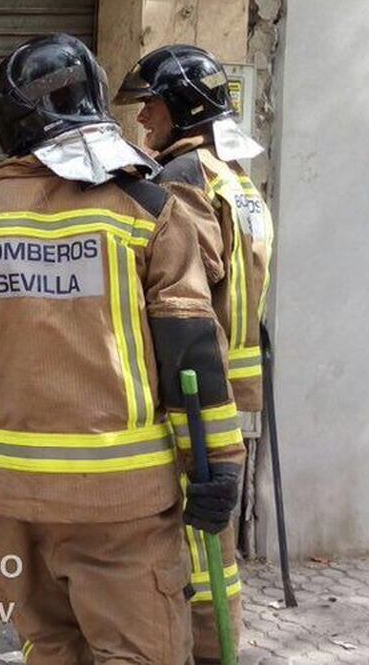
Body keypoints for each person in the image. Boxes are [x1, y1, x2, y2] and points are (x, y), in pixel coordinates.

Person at [0, 35, 245, 665]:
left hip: (15, 503)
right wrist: (218, 461)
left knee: (51, 648)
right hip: (124, 506)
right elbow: (190, 347)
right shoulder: (146, 208)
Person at [115, 43, 275, 664]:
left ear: (182, 105)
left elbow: (182, 300)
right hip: (232, 383)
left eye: (150, 104)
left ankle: (203, 651)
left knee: (198, 549)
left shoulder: (180, 182)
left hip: (192, 388)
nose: (142, 118)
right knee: (219, 549)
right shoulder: (236, 180)